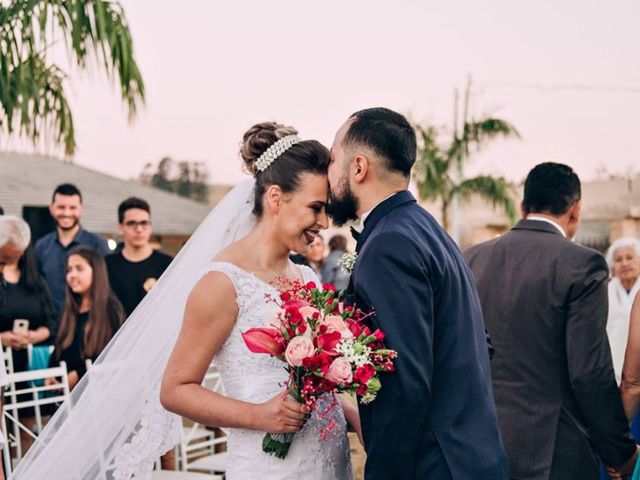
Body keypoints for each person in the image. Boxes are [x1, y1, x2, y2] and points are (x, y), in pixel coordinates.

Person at [160, 122, 353, 479]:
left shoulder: (306, 276)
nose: (325, 222)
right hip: (269, 468)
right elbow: (175, 389)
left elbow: (308, 381)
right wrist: (261, 416)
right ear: (276, 198)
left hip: (330, 461)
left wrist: (354, 415)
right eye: (316, 208)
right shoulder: (223, 282)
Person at [328, 107, 508, 479]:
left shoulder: (389, 244)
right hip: (470, 456)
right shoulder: (428, 229)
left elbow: (403, 381)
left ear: (358, 168)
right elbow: (479, 344)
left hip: (434, 465)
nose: (327, 175)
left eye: (333, 161)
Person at [465, 162, 638, 480]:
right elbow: (588, 372)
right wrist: (620, 452)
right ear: (575, 210)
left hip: (478, 445)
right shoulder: (582, 264)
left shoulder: (471, 259)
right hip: (554, 452)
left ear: (522, 207)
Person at [0, 218, 54, 454]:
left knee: (29, 435)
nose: (5, 267)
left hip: (28, 366)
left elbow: (50, 322)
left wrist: (32, 336)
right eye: (3, 259)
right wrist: (2, 338)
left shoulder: (34, 279)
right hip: (4, 362)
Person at [47, 247, 124, 391]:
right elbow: (59, 348)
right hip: (65, 398)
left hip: (96, 394)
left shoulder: (111, 309)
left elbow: (112, 357)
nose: (72, 275)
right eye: (69, 270)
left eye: (79, 269)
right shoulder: (68, 310)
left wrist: (79, 375)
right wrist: (51, 373)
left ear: (96, 272)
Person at [35, 184, 110, 323]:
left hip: (88, 326)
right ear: (52, 209)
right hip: (49, 329)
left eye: (72, 207)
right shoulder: (41, 246)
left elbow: (106, 287)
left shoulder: (98, 245)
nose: (67, 213)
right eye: (61, 207)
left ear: (81, 209)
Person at [105, 197, 173, 317]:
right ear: (121, 228)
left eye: (144, 223)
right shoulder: (106, 265)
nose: (139, 229)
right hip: (116, 334)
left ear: (150, 227)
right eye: (132, 223)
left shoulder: (167, 265)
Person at [606, 237, 640, 383]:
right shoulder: (604, 292)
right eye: (619, 260)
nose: (625, 263)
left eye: (630, 257)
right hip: (614, 370)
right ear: (613, 267)